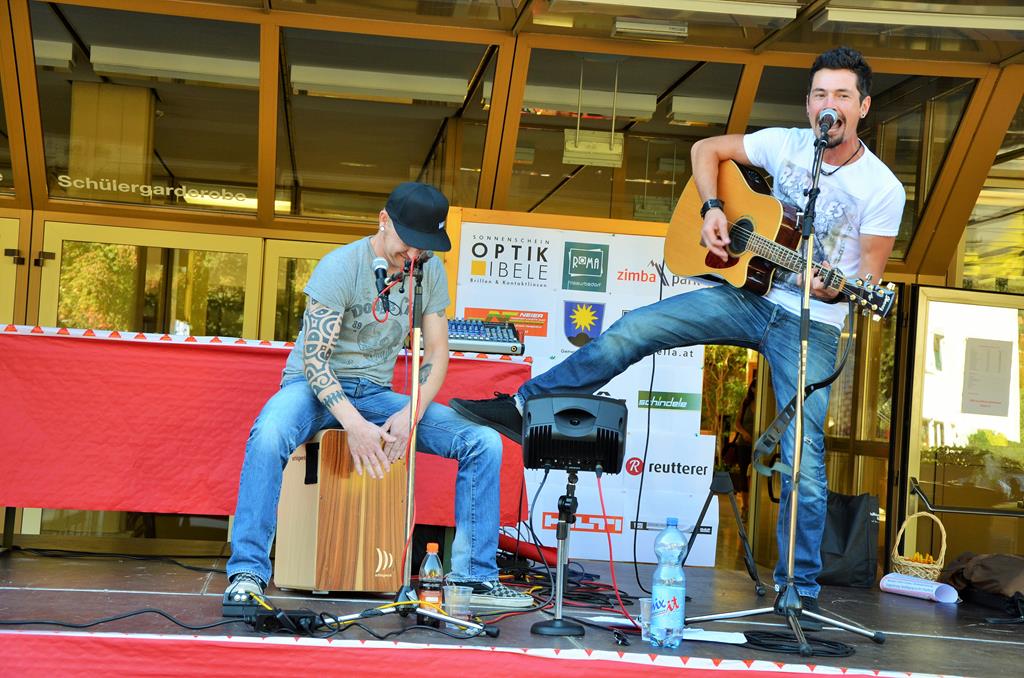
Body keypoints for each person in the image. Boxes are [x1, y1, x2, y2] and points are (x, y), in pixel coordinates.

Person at [450, 47, 905, 622]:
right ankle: (524, 404)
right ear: (809, 104)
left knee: (802, 458)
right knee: (634, 329)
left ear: (862, 106)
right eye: (820, 94)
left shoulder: (881, 188)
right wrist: (714, 209)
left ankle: (799, 590)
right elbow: (704, 149)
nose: (828, 104)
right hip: (747, 295)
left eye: (841, 95)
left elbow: (865, 281)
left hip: (810, 321)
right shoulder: (786, 144)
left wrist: (833, 289)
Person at [224, 182, 532, 613]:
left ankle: (474, 578)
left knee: (482, 442)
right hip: (312, 388)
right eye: (408, 242)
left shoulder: (428, 269)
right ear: (383, 220)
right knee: (269, 434)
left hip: (376, 392)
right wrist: (354, 425)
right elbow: (315, 359)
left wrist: (413, 411)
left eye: (423, 246)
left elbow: (437, 353)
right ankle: (247, 573)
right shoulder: (340, 267)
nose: (413, 254)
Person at [727, 378, 757, 521]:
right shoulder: (746, 403)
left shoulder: (765, 404)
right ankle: (745, 507)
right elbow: (737, 423)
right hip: (744, 445)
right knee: (744, 474)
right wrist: (745, 433)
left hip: (759, 446)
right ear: (752, 389)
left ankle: (754, 507)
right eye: (755, 387)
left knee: (755, 476)